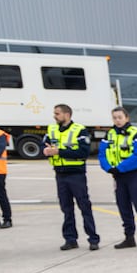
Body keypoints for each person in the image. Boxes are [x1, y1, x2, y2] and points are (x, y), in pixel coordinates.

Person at [43, 104, 99, 251]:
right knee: (66, 208)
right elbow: (45, 143)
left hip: (76, 174)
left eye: (57, 113)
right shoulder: (52, 129)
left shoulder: (79, 130)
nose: (55, 116)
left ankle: (93, 239)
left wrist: (58, 152)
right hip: (60, 174)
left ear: (67, 115)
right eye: (54, 113)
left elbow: (83, 152)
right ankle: (70, 239)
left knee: (84, 207)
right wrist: (46, 150)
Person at [99, 106, 137, 251]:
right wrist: (108, 168)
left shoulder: (135, 133)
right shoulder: (109, 135)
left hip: (134, 176)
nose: (117, 120)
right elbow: (102, 154)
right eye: (114, 118)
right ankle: (129, 238)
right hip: (118, 177)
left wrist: (120, 168)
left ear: (126, 118)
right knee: (123, 208)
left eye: (120, 117)